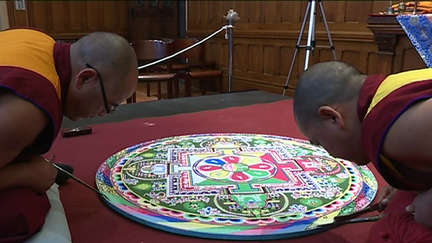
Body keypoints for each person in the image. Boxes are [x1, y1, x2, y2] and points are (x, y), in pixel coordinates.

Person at [0, 28, 138, 242]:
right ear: (84, 79)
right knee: (21, 209)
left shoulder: (37, 40)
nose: (103, 114)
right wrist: (28, 173)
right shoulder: (28, 109)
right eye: (108, 105)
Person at [293, 61, 432, 242]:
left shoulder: (384, 126)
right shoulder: (390, 88)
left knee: (392, 231)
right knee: (399, 207)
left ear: (333, 117)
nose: (331, 154)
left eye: (320, 143)